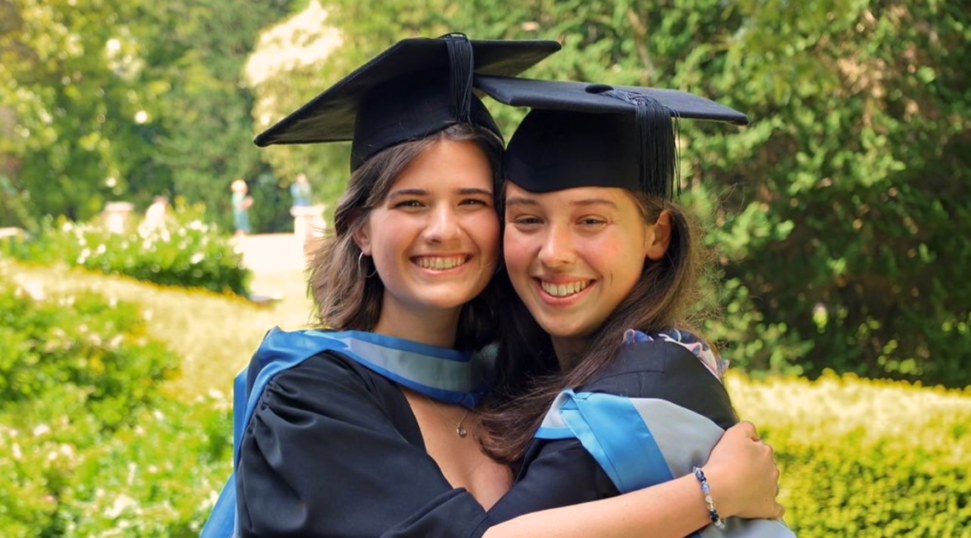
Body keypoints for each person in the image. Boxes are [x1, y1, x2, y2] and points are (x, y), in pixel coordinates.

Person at [202, 35, 781, 538]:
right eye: (411, 203)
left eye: (473, 202)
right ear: (359, 228)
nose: (444, 230)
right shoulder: (309, 401)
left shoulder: (520, 378)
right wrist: (714, 491)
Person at [472, 77, 793, 535]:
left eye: (590, 220)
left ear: (656, 234)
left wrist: (713, 491)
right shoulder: (564, 366)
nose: (553, 252)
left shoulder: (638, 394)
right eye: (527, 219)